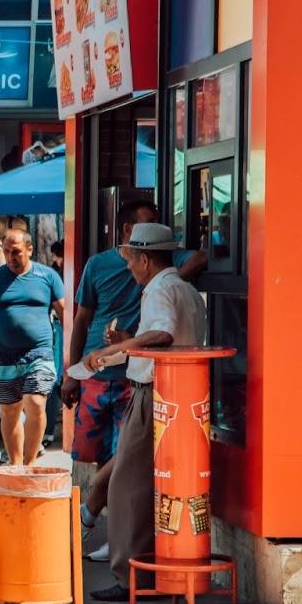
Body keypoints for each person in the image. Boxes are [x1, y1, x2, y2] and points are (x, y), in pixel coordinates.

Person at [61, 201, 205, 562]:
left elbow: (162, 333)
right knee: (127, 476)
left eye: (131, 260)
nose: (127, 267)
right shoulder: (181, 288)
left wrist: (121, 346)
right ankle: (122, 549)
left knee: (124, 482)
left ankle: (126, 564)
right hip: (175, 393)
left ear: (144, 259)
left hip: (152, 391)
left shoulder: (159, 289)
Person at [0, 229, 65, 467]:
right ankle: (16, 465)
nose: (10, 257)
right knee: (9, 411)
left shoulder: (47, 277)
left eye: (15, 251)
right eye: (6, 251)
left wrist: (73, 352)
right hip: (4, 357)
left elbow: (65, 314)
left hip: (39, 352)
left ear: (29, 249)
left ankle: (28, 464)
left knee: (36, 402)